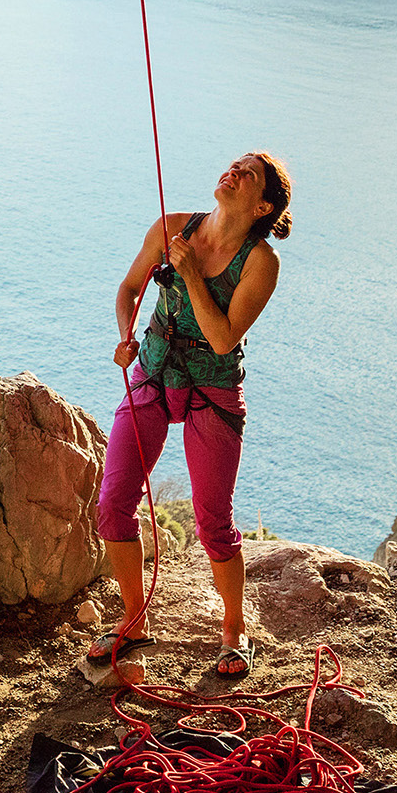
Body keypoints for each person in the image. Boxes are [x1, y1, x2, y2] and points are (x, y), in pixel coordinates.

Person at [92, 151, 293, 679]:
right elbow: (129, 289)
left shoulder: (260, 263)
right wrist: (125, 336)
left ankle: (233, 629)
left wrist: (190, 275)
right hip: (154, 374)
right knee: (113, 504)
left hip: (213, 389)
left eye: (249, 173)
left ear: (263, 204)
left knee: (214, 523)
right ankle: (133, 620)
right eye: (234, 164)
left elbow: (224, 338)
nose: (234, 171)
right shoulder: (173, 228)